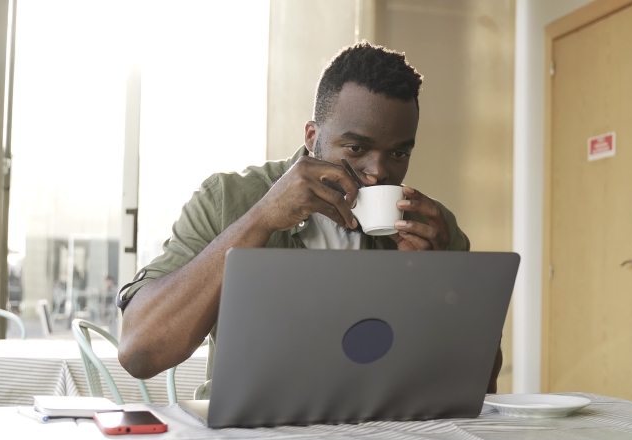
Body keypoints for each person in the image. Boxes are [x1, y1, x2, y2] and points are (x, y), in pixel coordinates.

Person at [117, 42, 504, 398]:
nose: (377, 172)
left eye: (399, 154)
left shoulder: (429, 228)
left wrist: (442, 284)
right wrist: (262, 219)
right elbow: (140, 353)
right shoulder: (229, 201)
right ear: (311, 136)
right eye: (356, 148)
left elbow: (482, 384)